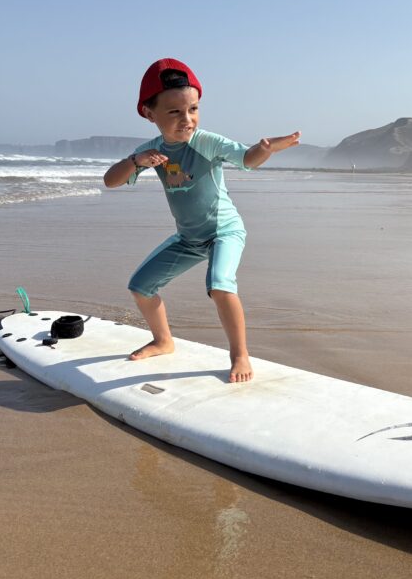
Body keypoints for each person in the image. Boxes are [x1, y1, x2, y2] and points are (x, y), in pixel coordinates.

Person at [103, 58, 300, 382]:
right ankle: (163, 341)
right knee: (140, 287)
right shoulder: (150, 151)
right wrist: (136, 161)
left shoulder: (206, 142)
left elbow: (247, 159)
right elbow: (111, 181)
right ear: (150, 114)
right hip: (189, 238)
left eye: (193, 109)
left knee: (219, 286)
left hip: (224, 231)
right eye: (175, 112)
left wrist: (266, 149)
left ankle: (240, 355)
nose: (187, 119)